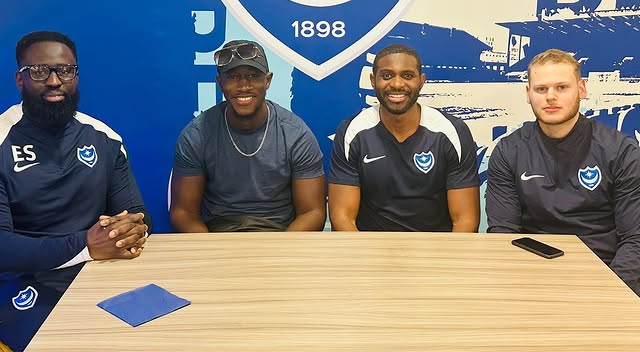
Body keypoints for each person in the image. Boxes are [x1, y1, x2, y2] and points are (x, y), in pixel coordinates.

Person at [0, 31, 151, 351]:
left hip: (102, 273)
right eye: (40, 71)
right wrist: (86, 244)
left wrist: (131, 229)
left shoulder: (105, 138)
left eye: (65, 70)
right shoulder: (1, 138)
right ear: (19, 80)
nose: (55, 80)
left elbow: (137, 214)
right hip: (26, 282)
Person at [486, 48, 640, 295]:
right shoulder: (508, 150)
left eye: (561, 87)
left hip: (604, 274)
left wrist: (609, 295)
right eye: (541, 89)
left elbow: (635, 238)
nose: (550, 97)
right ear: (528, 94)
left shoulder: (620, 151)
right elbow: (504, 233)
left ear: (581, 89)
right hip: (531, 276)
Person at [170, 39, 326, 232]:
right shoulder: (196, 135)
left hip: (280, 234)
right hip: (219, 236)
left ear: (267, 80)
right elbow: (183, 213)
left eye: (253, 76)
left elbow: (313, 212)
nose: (243, 86)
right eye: (233, 77)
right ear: (220, 83)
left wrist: (283, 253)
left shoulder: (295, 133)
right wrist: (211, 251)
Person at [328, 44, 480, 231]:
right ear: (373, 80)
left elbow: (465, 220)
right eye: (387, 75)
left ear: (422, 81)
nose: (397, 84)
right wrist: (364, 258)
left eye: (407, 76)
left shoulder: (451, 131)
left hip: (434, 251)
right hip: (370, 250)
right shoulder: (352, 131)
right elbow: (342, 218)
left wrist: (445, 259)